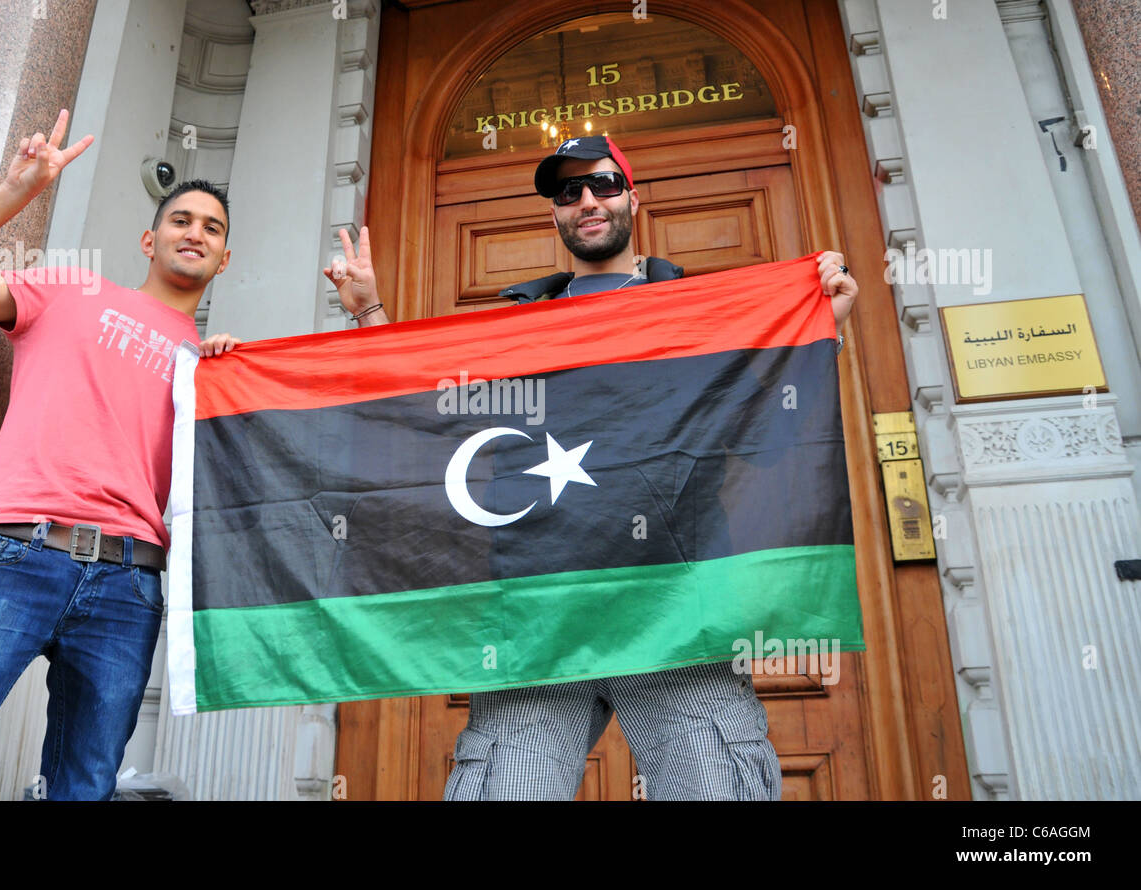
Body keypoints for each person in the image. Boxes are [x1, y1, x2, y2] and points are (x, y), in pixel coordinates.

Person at [329, 135, 858, 800]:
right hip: (538, 613)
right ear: (554, 214)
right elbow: (426, 418)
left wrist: (821, 329)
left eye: (604, 185)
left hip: (672, 605)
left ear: (633, 198)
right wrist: (368, 312)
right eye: (567, 192)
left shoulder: (704, 313)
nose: (587, 200)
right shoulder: (517, 327)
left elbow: (763, 439)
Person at [0, 110, 240, 801]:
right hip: (13, 552)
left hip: (131, 583)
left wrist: (228, 382)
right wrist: (17, 191)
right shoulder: (70, 291)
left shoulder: (212, 366)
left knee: (83, 791)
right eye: (183, 220)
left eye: (212, 228)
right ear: (151, 239)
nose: (196, 233)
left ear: (224, 258)